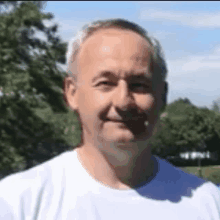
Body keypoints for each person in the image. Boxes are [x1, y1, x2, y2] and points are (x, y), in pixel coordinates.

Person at [0, 18, 220, 220]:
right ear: (72, 93)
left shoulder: (209, 204)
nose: (123, 101)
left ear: (162, 96)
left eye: (139, 85)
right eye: (105, 83)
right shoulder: (18, 203)